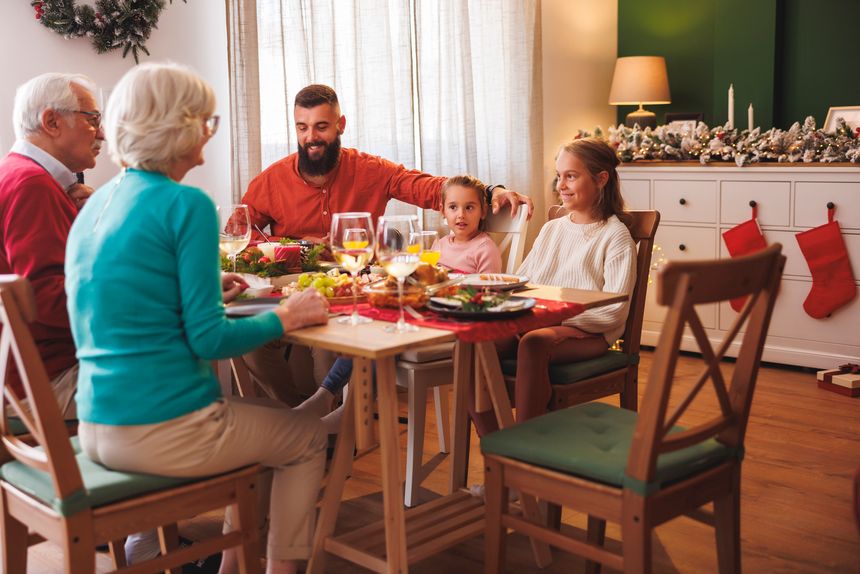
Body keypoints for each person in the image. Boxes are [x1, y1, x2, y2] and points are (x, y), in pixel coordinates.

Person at [65, 63, 329, 574]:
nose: (210, 133)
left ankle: (233, 566)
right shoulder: (185, 203)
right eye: (206, 121)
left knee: (271, 428)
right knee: (306, 435)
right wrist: (287, 318)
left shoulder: (97, 205)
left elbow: (135, 310)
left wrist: (209, 293)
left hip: (99, 423)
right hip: (164, 431)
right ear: (178, 126)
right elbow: (208, 340)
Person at [241, 84, 533, 403]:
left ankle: (327, 430)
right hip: (290, 291)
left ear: (340, 126)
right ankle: (296, 417)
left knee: (329, 350)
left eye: (321, 126)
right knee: (250, 345)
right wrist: (295, 248)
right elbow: (241, 233)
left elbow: (430, 188)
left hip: (354, 289)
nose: (310, 137)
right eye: (302, 127)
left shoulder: (371, 170)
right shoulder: (272, 179)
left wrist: (490, 192)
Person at [301, 175, 505, 432]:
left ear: (483, 211)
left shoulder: (484, 248)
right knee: (374, 330)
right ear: (443, 210)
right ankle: (325, 395)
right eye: (453, 207)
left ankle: (351, 410)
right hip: (427, 315)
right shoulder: (440, 244)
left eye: (469, 207)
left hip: (454, 325)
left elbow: (487, 295)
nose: (460, 214)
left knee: (386, 339)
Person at [469, 138, 638, 437]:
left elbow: (613, 313)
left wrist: (554, 317)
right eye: (559, 176)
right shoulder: (552, 229)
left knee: (534, 343)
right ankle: (498, 446)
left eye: (571, 176)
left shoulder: (615, 236)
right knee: (475, 342)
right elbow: (523, 281)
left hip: (589, 333)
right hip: (541, 323)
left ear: (601, 179)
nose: (561, 184)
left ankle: (526, 447)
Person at [0, 72, 102, 419]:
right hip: (45, 383)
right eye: (93, 119)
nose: (101, 133)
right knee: (186, 384)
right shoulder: (32, 185)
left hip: (26, 377)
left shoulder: (17, 174)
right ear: (52, 121)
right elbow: (48, 299)